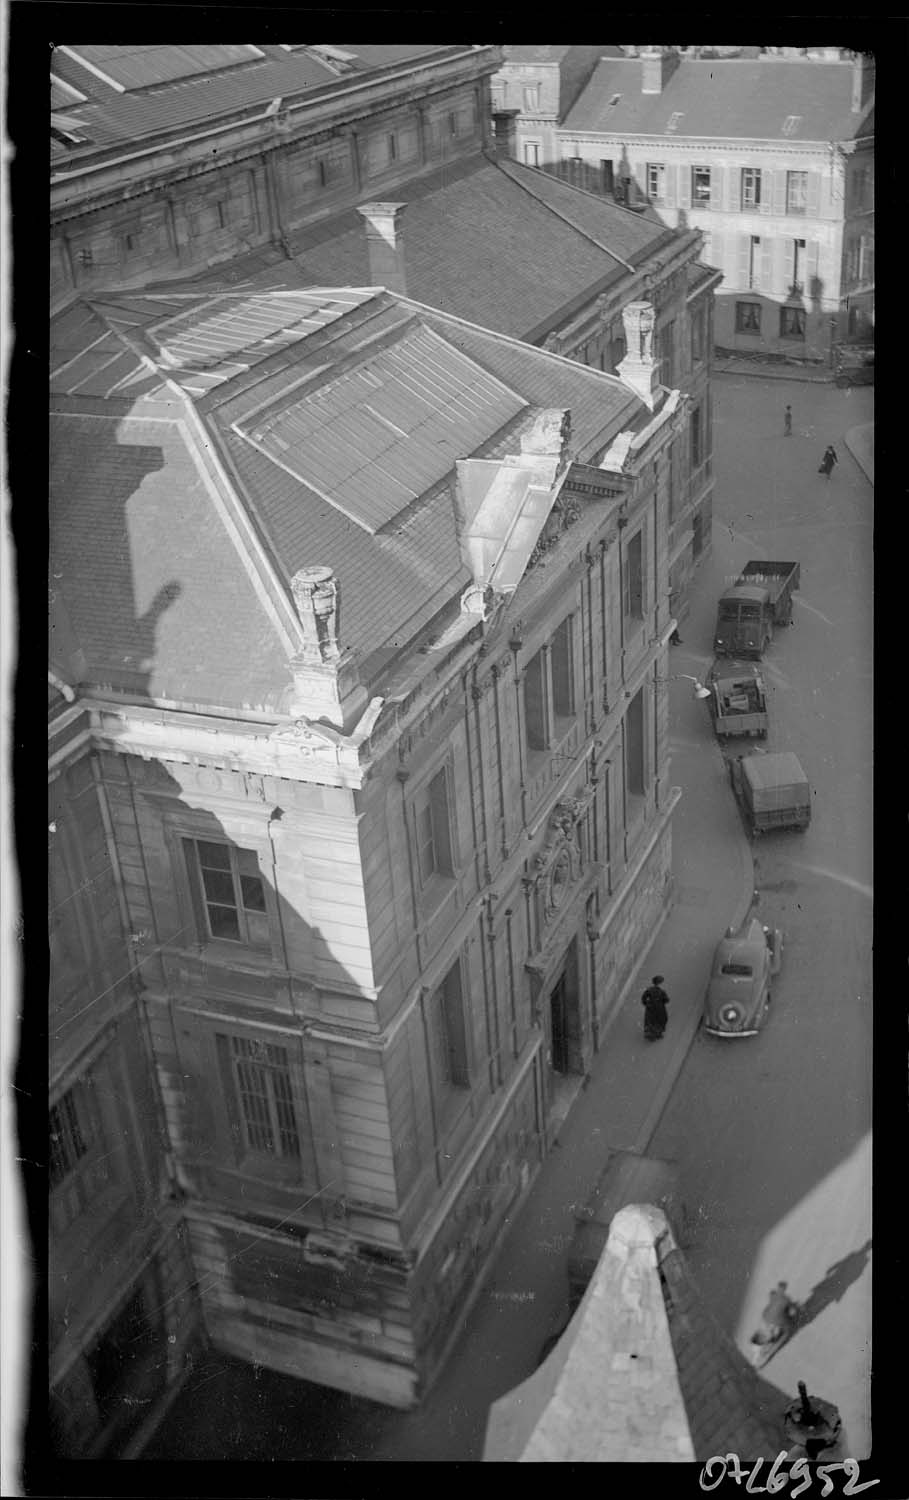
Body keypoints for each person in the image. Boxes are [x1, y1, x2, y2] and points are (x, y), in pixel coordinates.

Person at [641, 975, 670, 1041]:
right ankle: (657, 1033)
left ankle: (650, 1033)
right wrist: (663, 1001)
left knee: (650, 1020)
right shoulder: (662, 991)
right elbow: (666, 1000)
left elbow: (643, 998)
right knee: (661, 1019)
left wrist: (646, 1004)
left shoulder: (649, 990)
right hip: (659, 1008)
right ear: (660, 983)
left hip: (650, 1007)